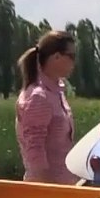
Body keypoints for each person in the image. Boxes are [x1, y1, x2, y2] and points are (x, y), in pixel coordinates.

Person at [15, 31, 80, 185]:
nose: (74, 62)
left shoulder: (56, 92)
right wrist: (44, 193)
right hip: (48, 190)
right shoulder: (38, 97)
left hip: (64, 185)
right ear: (56, 57)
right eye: (71, 56)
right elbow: (35, 152)